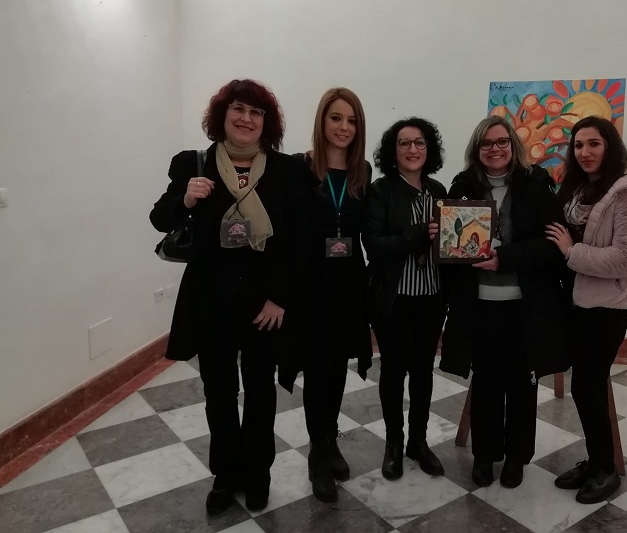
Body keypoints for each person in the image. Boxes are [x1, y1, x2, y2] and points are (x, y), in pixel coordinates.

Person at [149, 79, 312, 515]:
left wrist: (280, 298)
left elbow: (299, 241)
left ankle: (258, 474)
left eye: (256, 112)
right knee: (218, 391)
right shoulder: (193, 163)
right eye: (238, 109)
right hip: (211, 300)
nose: (246, 118)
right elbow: (159, 218)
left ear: (266, 123)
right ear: (222, 115)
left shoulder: (286, 170)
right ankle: (225, 474)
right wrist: (185, 198)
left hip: (264, 304)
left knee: (259, 389)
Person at [439, 115, 570, 488]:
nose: (494, 149)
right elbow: (451, 246)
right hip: (479, 304)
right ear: (476, 149)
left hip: (525, 306)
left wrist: (505, 259)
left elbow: (552, 246)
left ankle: (516, 457)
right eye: (487, 143)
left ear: (513, 145)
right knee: (486, 382)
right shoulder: (462, 187)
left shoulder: (537, 185)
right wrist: (442, 238)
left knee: (522, 384)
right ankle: (485, 454)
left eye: (501, 142)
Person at [545, 115, 627, 503]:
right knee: (585, 385)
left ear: (610, 147)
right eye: (578, 145)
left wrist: (570, 251)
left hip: (608, 305)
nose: (585, 152)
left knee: (588, 385)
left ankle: (605, 468)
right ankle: (595, 461)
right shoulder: (578, 190)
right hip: (578, 300)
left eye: (594, 144)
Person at [294, 88, 373, 502]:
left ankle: (330, 436)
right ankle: (317, 449)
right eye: (336, 118)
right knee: (317, 367)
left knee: (339, 364)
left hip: (349, 283)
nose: (344, 127)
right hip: (313, 285)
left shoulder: (363, 171)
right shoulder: (302, 168)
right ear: (322, 121)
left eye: (352, 120)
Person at [363, 117, 447, 480]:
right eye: (404, 143)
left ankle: (418, 442)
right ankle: (394, 444)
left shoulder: (439, 190)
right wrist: (418, 234)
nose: (413, 149)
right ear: (392, 151)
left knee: (423, 372)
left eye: (420, 143)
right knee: (394, 372)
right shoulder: (380, 191)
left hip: (431, 298)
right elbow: (375, 245)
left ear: (429, 149)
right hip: (393, 300)